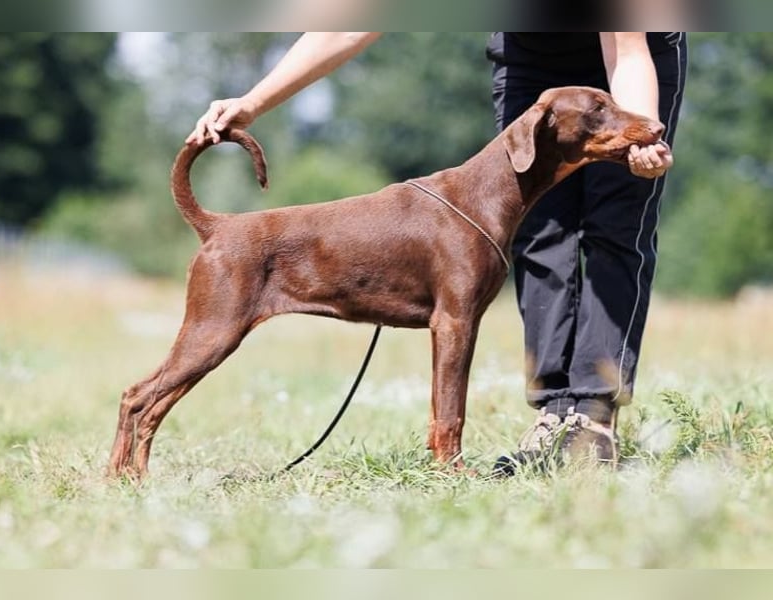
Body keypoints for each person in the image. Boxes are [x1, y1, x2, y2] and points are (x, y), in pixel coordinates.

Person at [187, 32, 687, 475]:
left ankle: (593, 416)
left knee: (615, 229)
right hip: (533, 61)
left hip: (629, 62)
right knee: (538, 231)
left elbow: (627, 51)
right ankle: (554, 413)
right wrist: (253, 102)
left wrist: (644, 134)